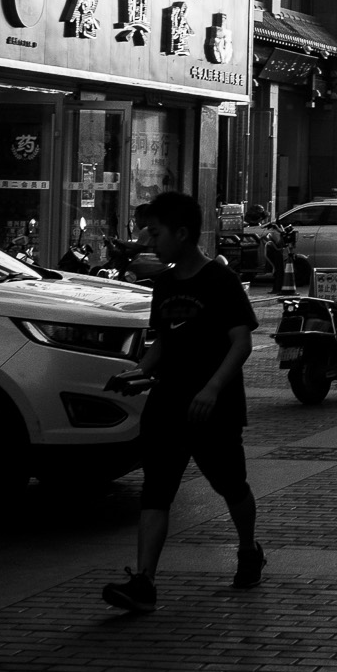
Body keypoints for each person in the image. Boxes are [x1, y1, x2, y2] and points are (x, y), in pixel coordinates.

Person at [102, 192, 262, 614]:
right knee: (156, 492)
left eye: (156, 233)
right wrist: (138, 375)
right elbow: (162, 345)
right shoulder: (165, 284)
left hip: (214, 408)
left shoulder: (220, 281)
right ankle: (144, 582)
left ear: (183, 233)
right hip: (168, 405)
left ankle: (249, 549)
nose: (149, 241)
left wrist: (211, 389)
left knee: (231, 486)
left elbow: (241, 341)